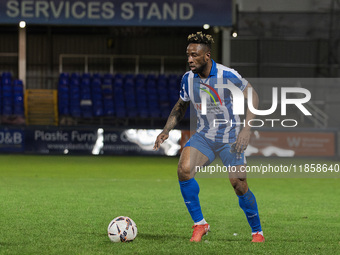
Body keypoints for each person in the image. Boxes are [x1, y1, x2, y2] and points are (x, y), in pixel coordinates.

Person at [153, 32, 264, 243]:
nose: (189, 59)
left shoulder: (227, 75)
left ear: (207, 56)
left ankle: (257, 232)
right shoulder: (188, 79)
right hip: (204, 137)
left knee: (239, 184)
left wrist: (247, 129)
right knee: (184, 170)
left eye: (194, 55)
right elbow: (181, 105)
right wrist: (166, 129)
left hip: (230, 139)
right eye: (188, 55)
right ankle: (200, 224)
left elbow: (254, 95)